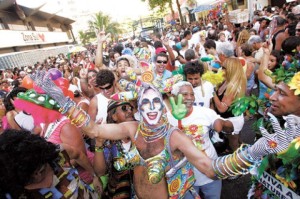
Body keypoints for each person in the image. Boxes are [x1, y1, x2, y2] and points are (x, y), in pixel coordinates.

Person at [30, 70, 297, 199]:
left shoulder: (174, 137)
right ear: (139, 109)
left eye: (157, 102)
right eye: (145, 104)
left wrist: (257, 150)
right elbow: (93, 129)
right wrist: (59, 99)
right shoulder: (131, 129)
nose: (152, 108)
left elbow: (212, 169)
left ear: (163, 105)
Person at [168, 81, 233, 199]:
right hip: (183, 176)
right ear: (174, 97)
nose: (189, 98)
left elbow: (229, 127)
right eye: (184, 94)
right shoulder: (167, 119)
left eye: (192, 94)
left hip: (210, 171)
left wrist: (222, 123)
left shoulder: (205, 113)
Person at [0, 129, 99, 199]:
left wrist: (94, 176)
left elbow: (78, 155)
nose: (39, 176)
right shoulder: (18, 194)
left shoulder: (56, 153)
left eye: (42, 169)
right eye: (31, 179)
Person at [94, 100, 135, 199]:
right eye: (124, 108)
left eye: (131, 108)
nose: (129, 111)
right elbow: (100, 172)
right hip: (118, 192)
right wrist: (99, 143)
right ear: (114, 116)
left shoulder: (143, 132)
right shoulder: (109, 142)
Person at [212, 57, 247, 151]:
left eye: (223, 68)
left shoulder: (232, 87)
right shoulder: (228, 81)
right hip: (232, 118)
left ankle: (240, 163)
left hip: (232, 120)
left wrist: (212, 92)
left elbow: (222, 109)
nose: (221, 70)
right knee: (237, 141)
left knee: (233, 145)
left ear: (231, 70)